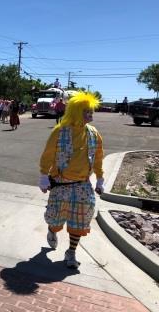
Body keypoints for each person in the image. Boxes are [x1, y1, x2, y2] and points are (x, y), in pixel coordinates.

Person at [39, 91, 104, 269]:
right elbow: (48, 154)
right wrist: (44, 175)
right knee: (55, 218)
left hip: (83, 185)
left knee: (80, 220)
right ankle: (52, 230)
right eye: (86, 112)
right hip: (60, 183)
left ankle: (71, 252)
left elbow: (98, 157)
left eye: (91, 112)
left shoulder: (93, 133)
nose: (90, 115)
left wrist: (100, 178)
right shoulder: (60, 131)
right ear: (76, 111)